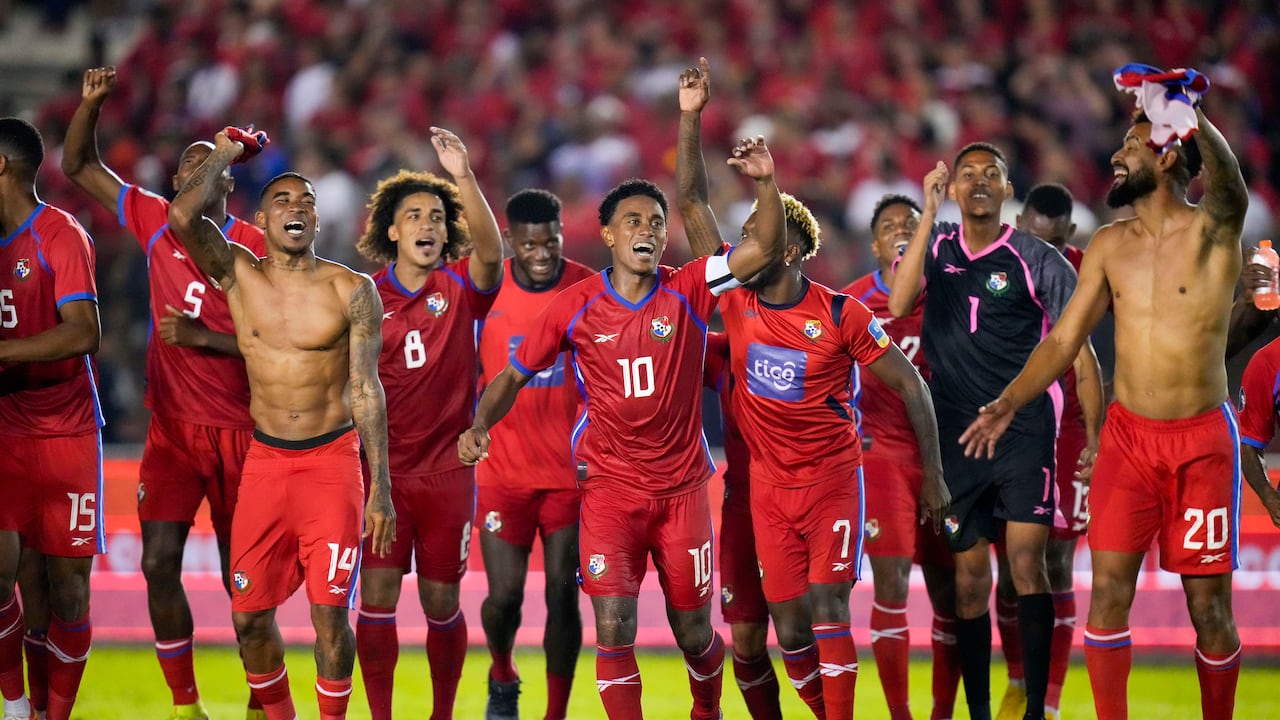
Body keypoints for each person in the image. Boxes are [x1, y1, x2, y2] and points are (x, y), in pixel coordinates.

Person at [459, 131, 786, 717]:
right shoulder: (575, 305)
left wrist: (765, 184)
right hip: (609, 492)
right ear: (609, 234)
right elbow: (511, 374)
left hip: (682, 493)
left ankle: (706, 708)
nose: (647, 230)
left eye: (656, 222)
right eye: (633, 220)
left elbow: (763, 249)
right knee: (613, 628)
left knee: (694, 634)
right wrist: (481, 424)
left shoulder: (690, 287)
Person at [676, 60, 947, 720]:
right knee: (791, 632)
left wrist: (935, 476)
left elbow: (911, 384)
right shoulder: (734, 299)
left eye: (759, 235)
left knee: (829, 609)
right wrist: (690, 118)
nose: (745, 243)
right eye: (746, 234)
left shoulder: (840, 314)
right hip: (766, 491)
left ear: (791, 250)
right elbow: (691, 204)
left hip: (830, 481)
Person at [959, 105, 1248, 720]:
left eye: (1133, 146)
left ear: (1168, 157)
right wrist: (1009, 401)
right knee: (1107, 598)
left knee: (1209, 610)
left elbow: (1230, 188)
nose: (1117, 155)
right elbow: (1064, 340)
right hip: (1129, 441)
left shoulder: (1213, 229)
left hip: (1201, 443)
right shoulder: (1110, 245)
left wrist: (1189, 112)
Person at [60, 65, 266, 720]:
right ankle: (185, 704)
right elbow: (78, 165)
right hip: (172, 431)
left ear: (228, 183)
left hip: (242, 431)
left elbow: (281, 347)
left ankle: (260, 699)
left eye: (214, 165)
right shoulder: (154, 221)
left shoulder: (257, 250)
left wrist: (207, 338)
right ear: (177, 183)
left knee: (242, 578)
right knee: (157, 562)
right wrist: (92, 105)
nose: (201, 173)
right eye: (190, 166)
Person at [167, 129, 395, 720]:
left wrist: (381, 487)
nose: (297, 208)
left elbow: (366, 388)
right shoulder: (238, 273)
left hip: (332, 465)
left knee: (330, 616)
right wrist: (226, 150)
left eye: (307, 201)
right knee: (248, 618)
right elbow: (183, 215)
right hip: (266, 463)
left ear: (317, 219)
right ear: (261, 220)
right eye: (283, 200)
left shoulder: (353, 290)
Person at [888, 143, 1093, 720]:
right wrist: (929, 211)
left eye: (991, 174)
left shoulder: (1038, 258)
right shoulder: (937, 244)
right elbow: (899, 302)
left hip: (1023, 430)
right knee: (970, 581)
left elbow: (1075, 345)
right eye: (967, 174)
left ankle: (1034, 710)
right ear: (952, 188)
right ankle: (978, 711)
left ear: (1007, 189)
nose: (979, 182)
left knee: (1027, 565)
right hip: (956, 436)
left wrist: (1094, 431)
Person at [351, 127, 504, 720]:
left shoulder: (460, 285)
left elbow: (491, 255)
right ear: (392, 230)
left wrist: (462, 175)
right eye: (414, 215)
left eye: (437, 217)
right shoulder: (365, 296)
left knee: (442, 602)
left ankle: (442, 714)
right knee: (378, 597)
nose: (427, 225)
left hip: (447, 472)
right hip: (382, 476)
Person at [474, 189, 594, 720]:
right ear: (509, 240)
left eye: (551, 242)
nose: (542, 254)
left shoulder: (588, 288)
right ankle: (502, 672)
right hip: (502, 473)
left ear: (561, 235)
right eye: (529, 245)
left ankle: (555, 713)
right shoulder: (485, 290)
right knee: (504, 598)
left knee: (563, 599)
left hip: (569, 476)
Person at [842, 194, 962, 720]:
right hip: (881, 457)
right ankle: (900, 715)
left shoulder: (952, 295)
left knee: (950, 593)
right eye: (889, 225)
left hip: (948, 458)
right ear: (875, 245)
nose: (900, 230)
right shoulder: (851, 302)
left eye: (910, 224)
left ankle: (943, 713)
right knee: (890, 586)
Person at [0, 117, 102, 720]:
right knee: (8, 580)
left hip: (65, 431)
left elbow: (84, 333)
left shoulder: (59, 234)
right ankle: (16, 706)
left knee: (65, 593)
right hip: (5, 428)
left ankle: (48, 714)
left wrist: (5, 351)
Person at [992, 183, 1104, 720]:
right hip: (1013, 423)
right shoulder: (997, 262)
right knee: (1010, 567)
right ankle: (1018, 680)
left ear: (1071, 235)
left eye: (1056, 245)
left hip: (1071, 428)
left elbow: (1097, 351)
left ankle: (1050, 701)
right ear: (1020, 225)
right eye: (1037, 242)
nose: (1046, 254)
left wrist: (1101, 431)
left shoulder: (1091, 271)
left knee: (1056, 561)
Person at [703, 331, 782, 720]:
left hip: (796, 500)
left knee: (799, 631)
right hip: (742, 504)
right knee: (746, 640)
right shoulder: (720, 350)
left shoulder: (811, 330)